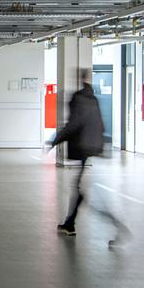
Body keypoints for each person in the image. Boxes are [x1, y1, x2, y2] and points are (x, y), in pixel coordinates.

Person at [47, 70, 128, 244]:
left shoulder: (78, 99)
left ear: (79, 78)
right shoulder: (93, 99)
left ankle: (116, 226)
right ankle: (69, 223)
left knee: (89, 194)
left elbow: (74, 124)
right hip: (93, 148)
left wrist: (56, 140)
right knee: (79, 188)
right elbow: (100, 124)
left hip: (83, 147)